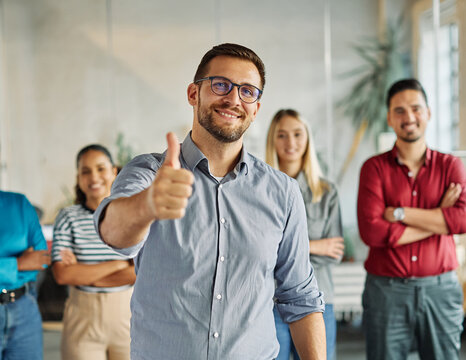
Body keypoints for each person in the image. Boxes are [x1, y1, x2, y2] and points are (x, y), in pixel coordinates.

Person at [94, 43, 326, 360]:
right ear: (194, 93)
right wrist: (146, 205)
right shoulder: (151, 173)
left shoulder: (282, 192)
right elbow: (115, 235)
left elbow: (300, 296)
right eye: (221, 85)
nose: (233, 99)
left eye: (247, 91)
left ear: (256, 108)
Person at [357, 78, 466, 360]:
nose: (409, 117)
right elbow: (372, 232)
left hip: (440, 289)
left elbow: (462, 220)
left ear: (428, 113)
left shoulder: (451, 166)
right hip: (386, 291)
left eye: (416, 108)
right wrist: (439, 217)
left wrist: (400, 214)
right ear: (389, 118)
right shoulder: (374, 168)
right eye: (400, 111)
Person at [266, 109, 344, 360]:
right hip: (270, 301)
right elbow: (258, 246)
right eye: (282, 135)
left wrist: (285, 247)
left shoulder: (327, 192)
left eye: (298, 134)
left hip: (319, 301)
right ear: (272, 140)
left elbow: (334, 253)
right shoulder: (261, 189)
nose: (291, 143)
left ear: (307, 138)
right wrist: (314, 246)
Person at [52, 144, 136, 360]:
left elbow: (141, 272)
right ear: (78, 177)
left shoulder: (133, 212)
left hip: (129, 317)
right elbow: (63, 274)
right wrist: (120, 264)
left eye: (100, 168)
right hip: (82, 321)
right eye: (85, 171)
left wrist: (87, 274)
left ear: (114, 172)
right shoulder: (68, 217)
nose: (93, 177)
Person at [0, 190, 51, 360]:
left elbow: (40, 258)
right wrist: (18, 264)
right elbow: (28, 262)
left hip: (24, 311)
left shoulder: (19, 203)